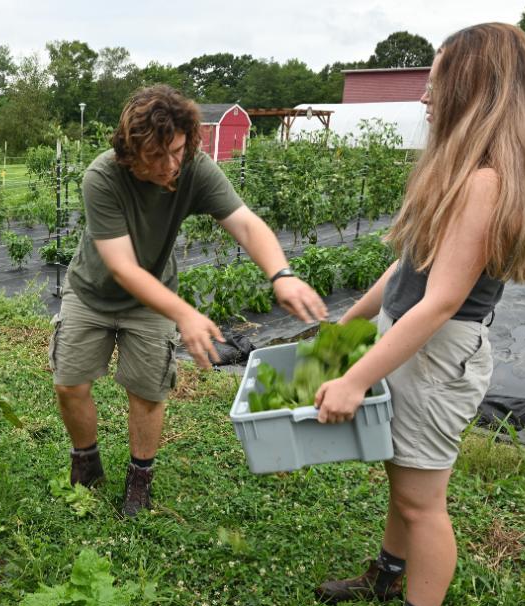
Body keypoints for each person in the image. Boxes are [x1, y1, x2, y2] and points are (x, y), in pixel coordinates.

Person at [313, 23, 525, 606]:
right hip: (416, 339)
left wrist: (355, 378)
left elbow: (441, 302)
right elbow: (406, 271)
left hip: (439, 351)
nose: (424, 93)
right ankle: (388, 575)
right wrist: (350, 326)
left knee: (423, 502)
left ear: (473, 88)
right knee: (404, 478)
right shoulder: (461, 174)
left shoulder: (486, 183)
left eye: (436, 79)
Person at [51, 85, 327, 516]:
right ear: (129, 151)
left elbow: (246, 224)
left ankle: (140, 478)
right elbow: (122, 267)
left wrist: (282, 274)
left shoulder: (194, 167)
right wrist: (185, 313)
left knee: (147, 390)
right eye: (155, 156)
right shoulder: (102, 176)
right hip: (92, 292)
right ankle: (86, 461)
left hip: (151, 301)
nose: (170, 165)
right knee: (70, 384)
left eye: (177, 150)